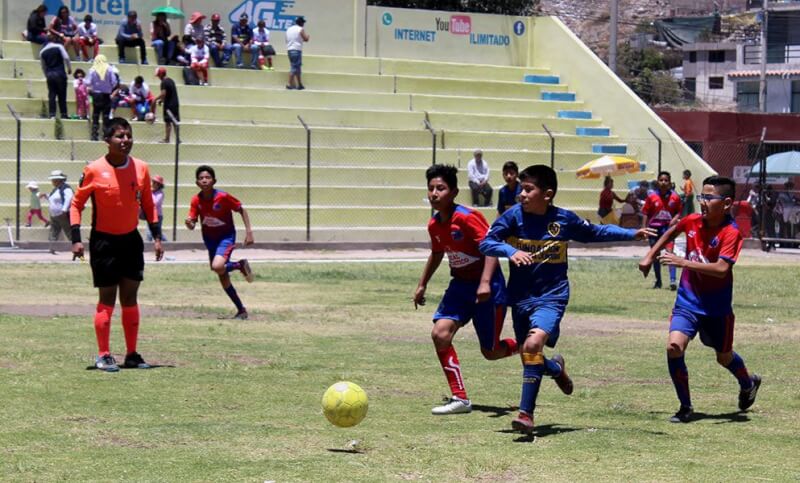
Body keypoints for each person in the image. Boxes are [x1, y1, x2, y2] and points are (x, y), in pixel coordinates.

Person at [479, 164, 654, 434]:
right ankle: (556, 369)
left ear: (547, 194)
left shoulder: (563, 220)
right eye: (521, 189)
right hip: (522, 298)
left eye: (528, 189)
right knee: (530, 355)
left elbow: (596, 232)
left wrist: (632, 233)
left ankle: (525, 415)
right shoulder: (513, 217)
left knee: (533, 343)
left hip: (552, 296)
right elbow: (486, 243)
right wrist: (509, 250)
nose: (521, 195)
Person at [639, 176, 761, 423]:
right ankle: (685, 406)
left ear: (726, 203)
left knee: (723, 357)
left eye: (708, 197)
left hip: (716, 309)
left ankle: (748, 383)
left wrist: (684, 262)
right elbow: (673, 229)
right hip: (687, 302)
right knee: (674, 347)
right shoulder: (693, 221)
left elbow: (721, 269)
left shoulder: (731, 232)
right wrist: (650, 255)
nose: (702, 202)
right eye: (701, 197)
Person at [412, 164, 517, 415]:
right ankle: (460, 398)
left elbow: (491, 246)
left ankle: (526, 344)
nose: (434, 193)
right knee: (440, 333)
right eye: (431, 189)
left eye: (441, 188)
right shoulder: (434, 225)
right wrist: (422, 283)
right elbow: (437, 253)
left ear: (454, 192)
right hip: (459, 287)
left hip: (487, 288)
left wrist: (484, 282)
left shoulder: (468, 217)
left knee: (491, 352)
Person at [70, 117, 164, 372]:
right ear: (107, 140)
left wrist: (156, 237)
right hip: (104, 242)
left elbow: (148, 205)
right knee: (108, 298)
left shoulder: (141, 168)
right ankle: (104, 354)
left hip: (131, 241)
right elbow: (76, 205)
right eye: (120, 136)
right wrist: (76, 240)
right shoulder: (93, 169)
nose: (125, 141)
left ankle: (132, 354)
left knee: (131, 298)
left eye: (128, 135)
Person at [185, 165, 255, 319]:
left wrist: (249, 232)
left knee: (217, 266)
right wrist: (189, 223)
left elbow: (241, 209)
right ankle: (241, 310)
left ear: (214, 181)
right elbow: (192, 222)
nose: (204, 180)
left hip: (226, 237)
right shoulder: (196, 200)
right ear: (197, 182)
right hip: (210, 240)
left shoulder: (223, 197)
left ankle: (239, 265)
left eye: (207, 177)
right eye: (201, 178)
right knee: (221, 274)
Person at [642, 171, 682, 290]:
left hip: (668, 229)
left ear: (670, 182)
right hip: (654, 229)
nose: (664, 182)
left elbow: (679, 211)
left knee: (669, 253)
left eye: (666, 180)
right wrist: (644, 229)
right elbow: (645, 213)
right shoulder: (652, 197)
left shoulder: (675, 197)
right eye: (661, 180)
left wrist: (675, 219)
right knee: (655, 255)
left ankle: (673, 281)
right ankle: (658, 281)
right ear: (657, 182)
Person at [39, 34, 72, 119]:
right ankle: (63, 114)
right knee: (62, 95)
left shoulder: (42, 52)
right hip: (60, 73)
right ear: (54, 39)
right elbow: (66, 57)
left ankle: (52, 114)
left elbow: (43, 66)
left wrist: (47, 75)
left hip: (50, 75)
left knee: (52, 95)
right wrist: (69, 68)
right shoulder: (59, 46)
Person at [87, 55, 118, 141]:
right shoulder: (109, 69)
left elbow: (88, 82)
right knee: (105, 116)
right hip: (106, 95)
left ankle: (94, 135)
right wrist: (109, 87)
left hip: (96, 95)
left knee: (96, 115)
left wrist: (94, 86)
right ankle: (106, 135)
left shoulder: (92, 70)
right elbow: (114, 82)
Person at [45, 169, 74, 254]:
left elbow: (69, 198)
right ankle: (51, 248)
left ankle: (77, 249)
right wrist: (46, 196)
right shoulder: (56, 189)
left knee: (69, 232)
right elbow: (53, 199)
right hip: (54, 215)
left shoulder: (66, 188)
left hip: (62, 215)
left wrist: (64, 210)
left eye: (54, 180)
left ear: (59, 180)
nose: (52, 182)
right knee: (53, 231)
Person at [154, 67, 180, 143]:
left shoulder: (164, 82)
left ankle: (167, 139)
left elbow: (163, 94)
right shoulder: (171, 80)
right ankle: (178, 139)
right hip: (175, 103)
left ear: (161, 74)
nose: (158, 77)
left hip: (168, 105)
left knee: (168, 122)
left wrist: (157, 99)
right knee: (175, 122)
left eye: (158, 75)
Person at [285, 16, 309, 90]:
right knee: (294, 67)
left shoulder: (289, 29)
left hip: (289, 49)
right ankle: (289, 83)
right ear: (301, 23)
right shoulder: (300, 29)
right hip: (296, 49)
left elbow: (286, 39)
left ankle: (299, 84)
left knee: (297, 68)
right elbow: (306, 38)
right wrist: (308, 36)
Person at [142, 174, 167, 242]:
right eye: (153, 182)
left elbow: (154, 203)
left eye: (157, 184)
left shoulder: (160, 194)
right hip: (150, 215)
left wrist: (150, 193)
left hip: (158, 216)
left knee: (157, 233)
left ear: (159, 186)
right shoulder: (149, 191)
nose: (154, 184)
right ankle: (148, 244)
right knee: (149, 232)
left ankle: (166, 242)